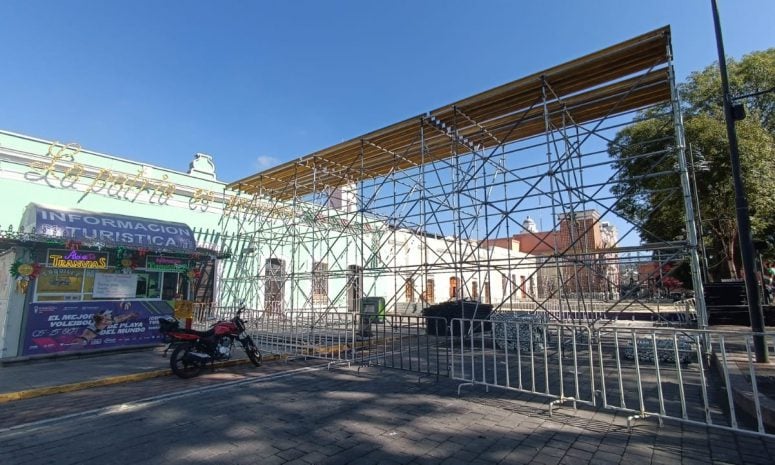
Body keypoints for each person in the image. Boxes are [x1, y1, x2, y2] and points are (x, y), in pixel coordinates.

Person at [74, 309, 139, 345]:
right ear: (104, 316)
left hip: (85, 335)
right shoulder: (104, 322)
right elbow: (120, 319)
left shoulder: (98, 318)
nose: (110, 315)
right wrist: (130, 315)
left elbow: (118, 318)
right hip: (85, 338)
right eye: (109, 314)